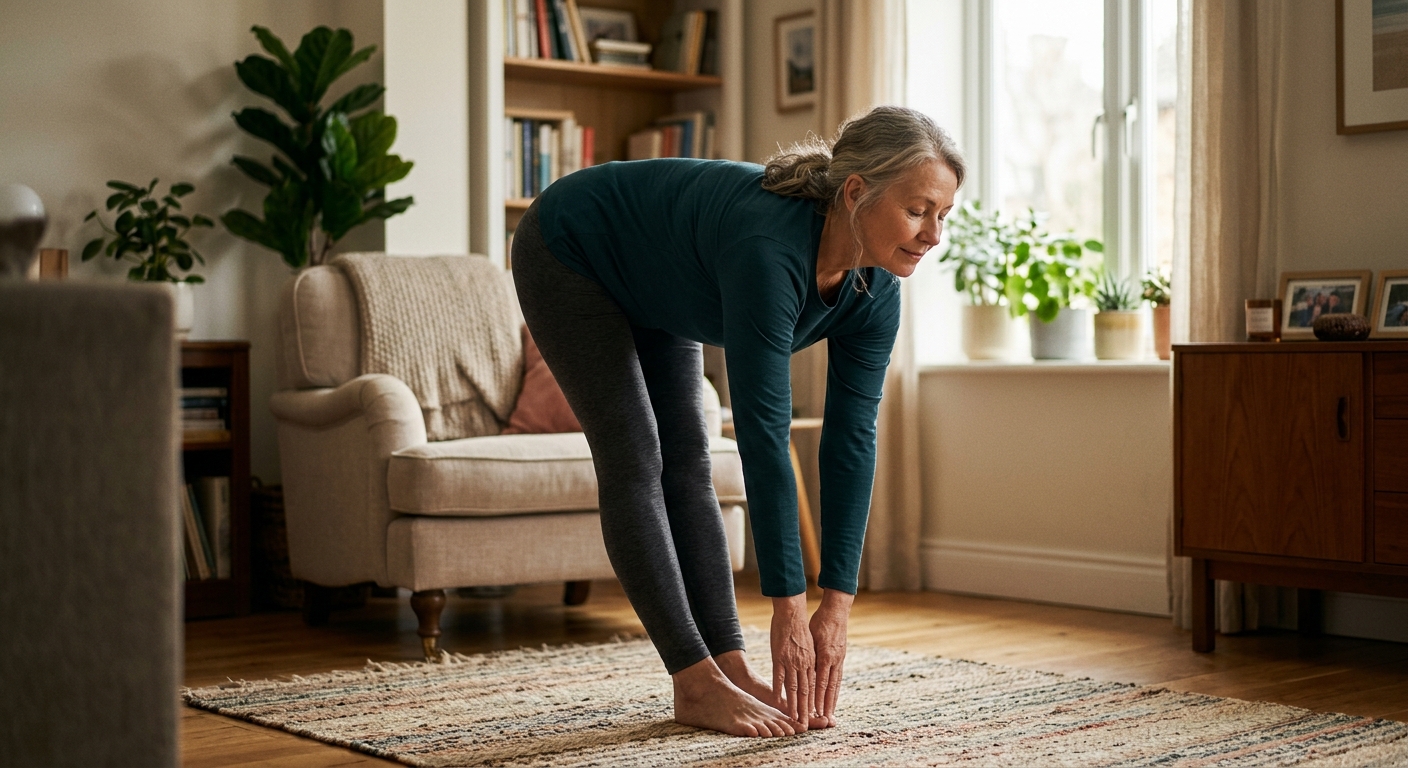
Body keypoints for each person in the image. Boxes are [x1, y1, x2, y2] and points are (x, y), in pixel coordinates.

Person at [511, 105, 964, 738]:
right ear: (856, 192)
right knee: (636, 456)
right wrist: (788, 609)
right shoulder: (767, 251)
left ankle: (727, 668)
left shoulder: (876, 291)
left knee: (689, 461)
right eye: (917, 211)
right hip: (574, 246)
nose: (933, 234)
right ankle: (694, 683)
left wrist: (836, 606)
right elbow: (763, 435)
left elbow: (851, 441)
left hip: (660, 279)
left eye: (943, 215)